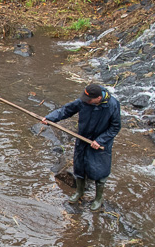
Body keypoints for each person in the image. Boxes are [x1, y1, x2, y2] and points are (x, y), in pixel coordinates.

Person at [45, 82, 122, 211]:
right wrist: (50, 118)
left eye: (89, 100)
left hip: (100, 144)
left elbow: (115, 127)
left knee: (100, 170)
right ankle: (79, 192)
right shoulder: (84, 101)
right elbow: (66, 110)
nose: (86, 101)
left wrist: (100, 140)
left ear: (98, 98)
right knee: (79, 166)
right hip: (82, 139)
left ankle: (98, 198)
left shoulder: (112, 105)